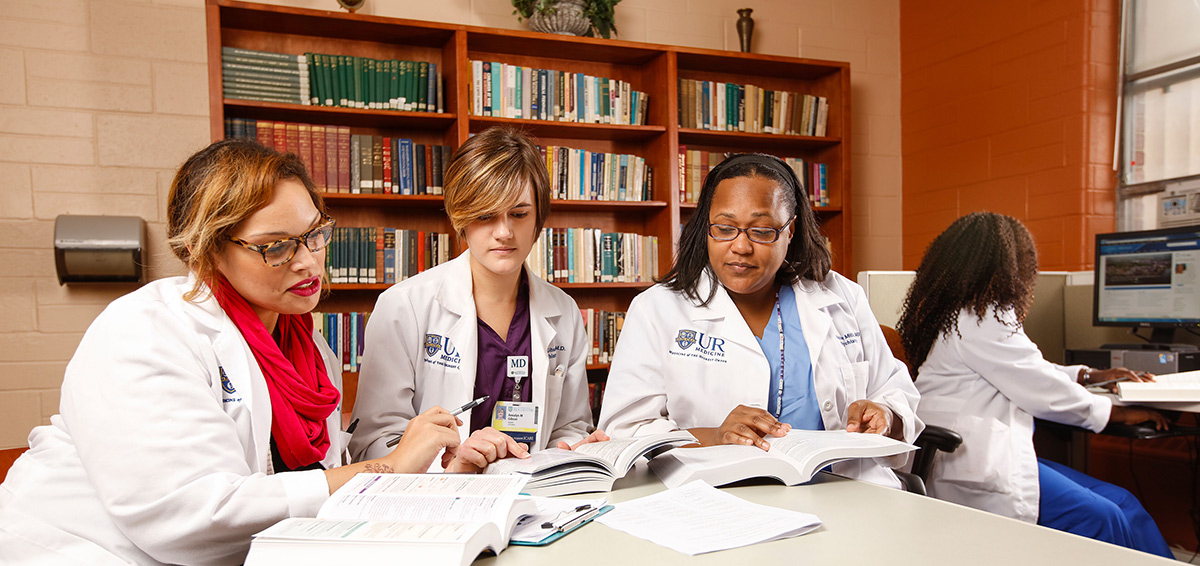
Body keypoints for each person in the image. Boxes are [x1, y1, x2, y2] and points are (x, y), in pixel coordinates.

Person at [0, 139, 505, 565]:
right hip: (79, 552)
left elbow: (318, 477)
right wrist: (391, 469)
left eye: (314, 235)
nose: (308, 262)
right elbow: (189, 519)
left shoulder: (307, 346)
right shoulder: (147, 330)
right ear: (208, 248)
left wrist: (436, 474)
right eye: (276, 246)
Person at [596, 153, 922, 488]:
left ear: (790, 230)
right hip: (716, 497)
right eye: (724, 229)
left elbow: (895, 393)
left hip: (848, 488)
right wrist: (714, 436)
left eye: (762, 231)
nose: (740, 246)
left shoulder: (842, 298)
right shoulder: (657, 309)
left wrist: (885, 416)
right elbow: (623, 431)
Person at [895, 211, 1172, 557]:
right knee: (1104, 517)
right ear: (1004, 264)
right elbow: (1040, 388)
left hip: (978, 449)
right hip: (971, 461)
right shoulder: (981, 318)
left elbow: (1026, 368)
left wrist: (1088, 375)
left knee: (1124, 504)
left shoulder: (962, 313)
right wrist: (1118, 413)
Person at [350, 127, 605, 471]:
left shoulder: (563, 312)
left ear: (538, 218)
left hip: (531, 498)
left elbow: (569, 425)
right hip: (436, 498)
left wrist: (574, 448)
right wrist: (450, 465)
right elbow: (373, 446)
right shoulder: (404, 306)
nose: (504, 232)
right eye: (486, 215)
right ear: (461, 217)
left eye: (519, 213)